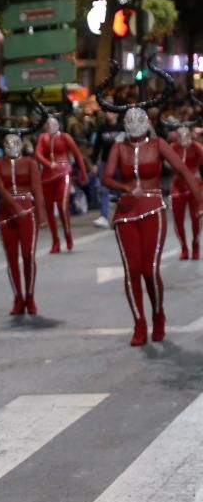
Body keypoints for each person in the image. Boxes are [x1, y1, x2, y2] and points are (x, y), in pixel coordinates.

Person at [96, 59, 203, 346]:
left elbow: (182, 172)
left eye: (138, 119)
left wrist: (200, 200)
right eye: (128, 120)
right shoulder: (118, 147)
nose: (133, 123)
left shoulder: (158, 145)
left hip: (153, 209)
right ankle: (139, 323)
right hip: (126, 213)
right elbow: (106, 178)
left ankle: (158, 314)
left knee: (149, 269)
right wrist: (123, 188)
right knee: (132, 269)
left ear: (146, 121)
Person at [0, 92, 47, 315]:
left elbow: (38, 190)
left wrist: (40, 216)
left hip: (28, 212)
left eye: (16, 142)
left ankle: (30, 296)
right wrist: (15, 206)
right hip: (7, 214)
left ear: (22, 144)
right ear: (3, 144)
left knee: (29, 256)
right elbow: (0, 189)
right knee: (11, 258)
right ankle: (17, 298)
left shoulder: (30, 163)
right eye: (8, 142)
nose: (12, 145)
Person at [35, 108, 88, 253]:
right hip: (46, 176)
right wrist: (48, 164)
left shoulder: (65, 137)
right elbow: (37, 154)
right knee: (50, 210)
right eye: (48, 124)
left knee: (61, 206)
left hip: (63, 172)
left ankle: (68, 235)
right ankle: (55, 241)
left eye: (53, 123)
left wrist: (83, 173)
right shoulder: (43, 138)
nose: (50, 126)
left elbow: (78, 155)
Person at [166, 122, 203, 260]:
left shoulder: (197, 147)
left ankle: (196, 245)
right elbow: (165, 162)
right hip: (178, 185)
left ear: (190, 135)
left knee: (196, 218)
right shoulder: (172, 147)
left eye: (186, 136)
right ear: (177, 137)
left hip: (195, 185)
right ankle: (184, 248)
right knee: (178, 219)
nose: (184, 139)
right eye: (180, 136)